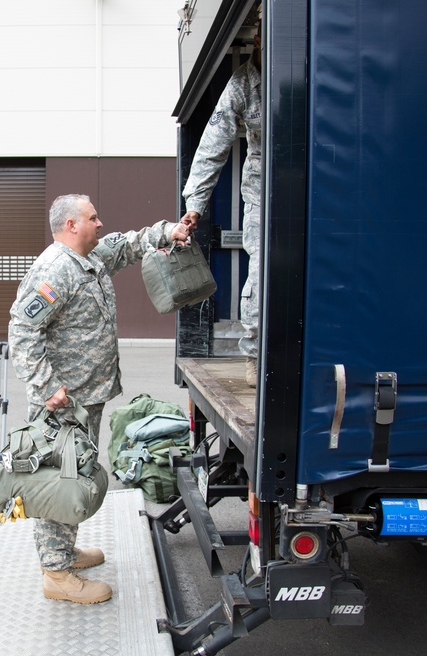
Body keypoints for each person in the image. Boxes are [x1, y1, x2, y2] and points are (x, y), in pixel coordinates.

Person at [8, 194, 192, 604]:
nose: (100, 223)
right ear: (71, 225)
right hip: (63, 402)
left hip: (86, 395)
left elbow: (127, 243)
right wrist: (45, 386)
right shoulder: (57, 269)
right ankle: (56, 574)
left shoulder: (88, 259)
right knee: (61, 479)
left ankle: (64, 550)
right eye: (92, 217)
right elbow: (22, 330)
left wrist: (169, 231)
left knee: (78, 474)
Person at [180, 15, 262, 387]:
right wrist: (194, 204)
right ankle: (256, 355)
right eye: (258, 29)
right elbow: (212, 147)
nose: (260, 35)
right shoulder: (245, 82)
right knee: (260, 276)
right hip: (264, 191)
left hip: (318, 187)